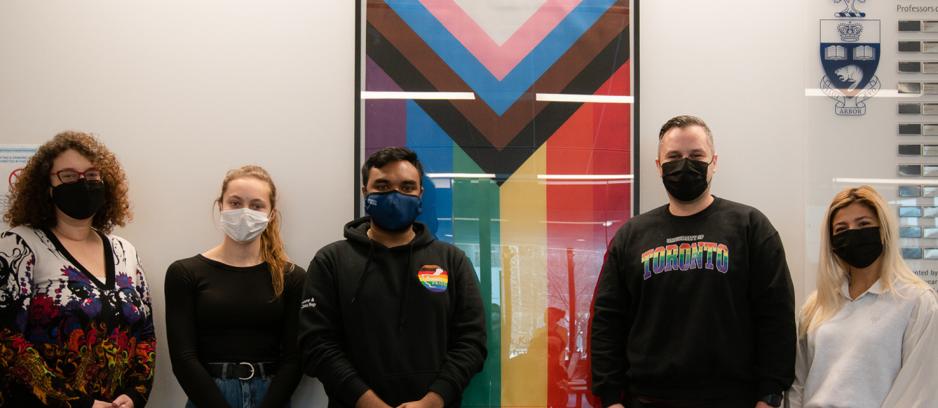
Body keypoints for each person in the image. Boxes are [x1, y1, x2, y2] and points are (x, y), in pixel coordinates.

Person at [590, 115, 796, 408]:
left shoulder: (751, 227)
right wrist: (610, 398)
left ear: (714, 161)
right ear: (659, 166)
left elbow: (776, 314)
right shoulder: (631, 236)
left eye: (696, 155)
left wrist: (771, 396)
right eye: (674, 156)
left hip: (734, 399)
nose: (685, 164)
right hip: (647, 399)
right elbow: (608, 321)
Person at [298, 147, 486, 408]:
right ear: (365, 192)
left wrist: (433, 401)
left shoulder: (452, 261)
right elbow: (317, 346)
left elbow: (472, 343)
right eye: (383, 186)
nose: (395, 195)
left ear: (420, 194)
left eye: (407, 187)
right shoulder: (330, 261)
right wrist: (368, 403)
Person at [0, 131, 155, 407]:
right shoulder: (19, 245)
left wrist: (134, 395)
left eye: (92, 175)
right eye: (69, 175)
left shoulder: (124, 251)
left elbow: (145, 334)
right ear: (46, 186)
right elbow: (8, 342)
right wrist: (79, 404)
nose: (83, 183)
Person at [165, 165, 305, 408]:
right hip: (208, 396)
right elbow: (183, 358)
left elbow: (294, 359)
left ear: (271, 214)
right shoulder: (184, 273)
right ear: (221, 206)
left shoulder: (292, 277)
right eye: (235, 203)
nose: (245, 212)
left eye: (256, 205)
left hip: (271, 396)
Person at [788, 186, 938, 407]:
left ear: (883, 229)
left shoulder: (916, 301)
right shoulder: (817, 305)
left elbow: (919, 391)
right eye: (841, 229)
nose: (852, 233)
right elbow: (798, 383)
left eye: (863, 224)